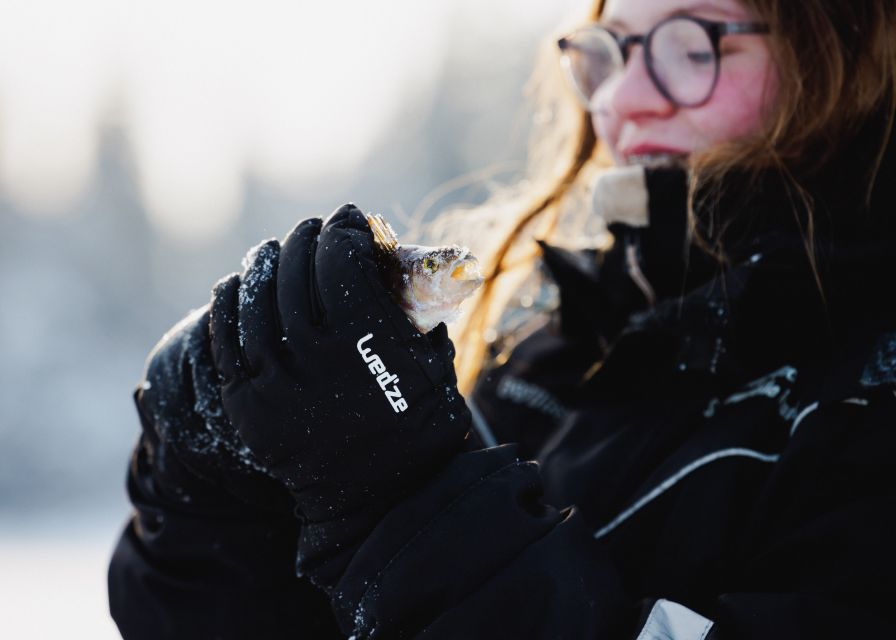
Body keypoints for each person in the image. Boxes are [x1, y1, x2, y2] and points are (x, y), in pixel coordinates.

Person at [108, 0, 896, 637]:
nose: (622, 98)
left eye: (695, 46)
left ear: (854, 60)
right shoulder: (548, 357)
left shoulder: (863, 409)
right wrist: (205, 479)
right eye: (609, 52)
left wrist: (408, 501)